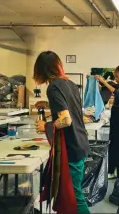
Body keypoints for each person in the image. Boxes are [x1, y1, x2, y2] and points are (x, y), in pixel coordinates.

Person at [34, 51, 90, 214]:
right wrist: (48, 103)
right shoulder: (70, 83)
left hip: (71, 148)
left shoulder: (53, 87)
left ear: (41, 70)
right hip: (81, 142)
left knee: (74, 197)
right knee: (72, 194)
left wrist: (46, 126)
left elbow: (66, 120)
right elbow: (72, 109)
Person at [94, 64, 119, 179]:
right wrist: (96, 80)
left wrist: (104, 81)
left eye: (117, 75)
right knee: (113, 142)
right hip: (115, 113)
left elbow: (118, 94)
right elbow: (107, 87)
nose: (115, 77)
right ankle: (112, 169)